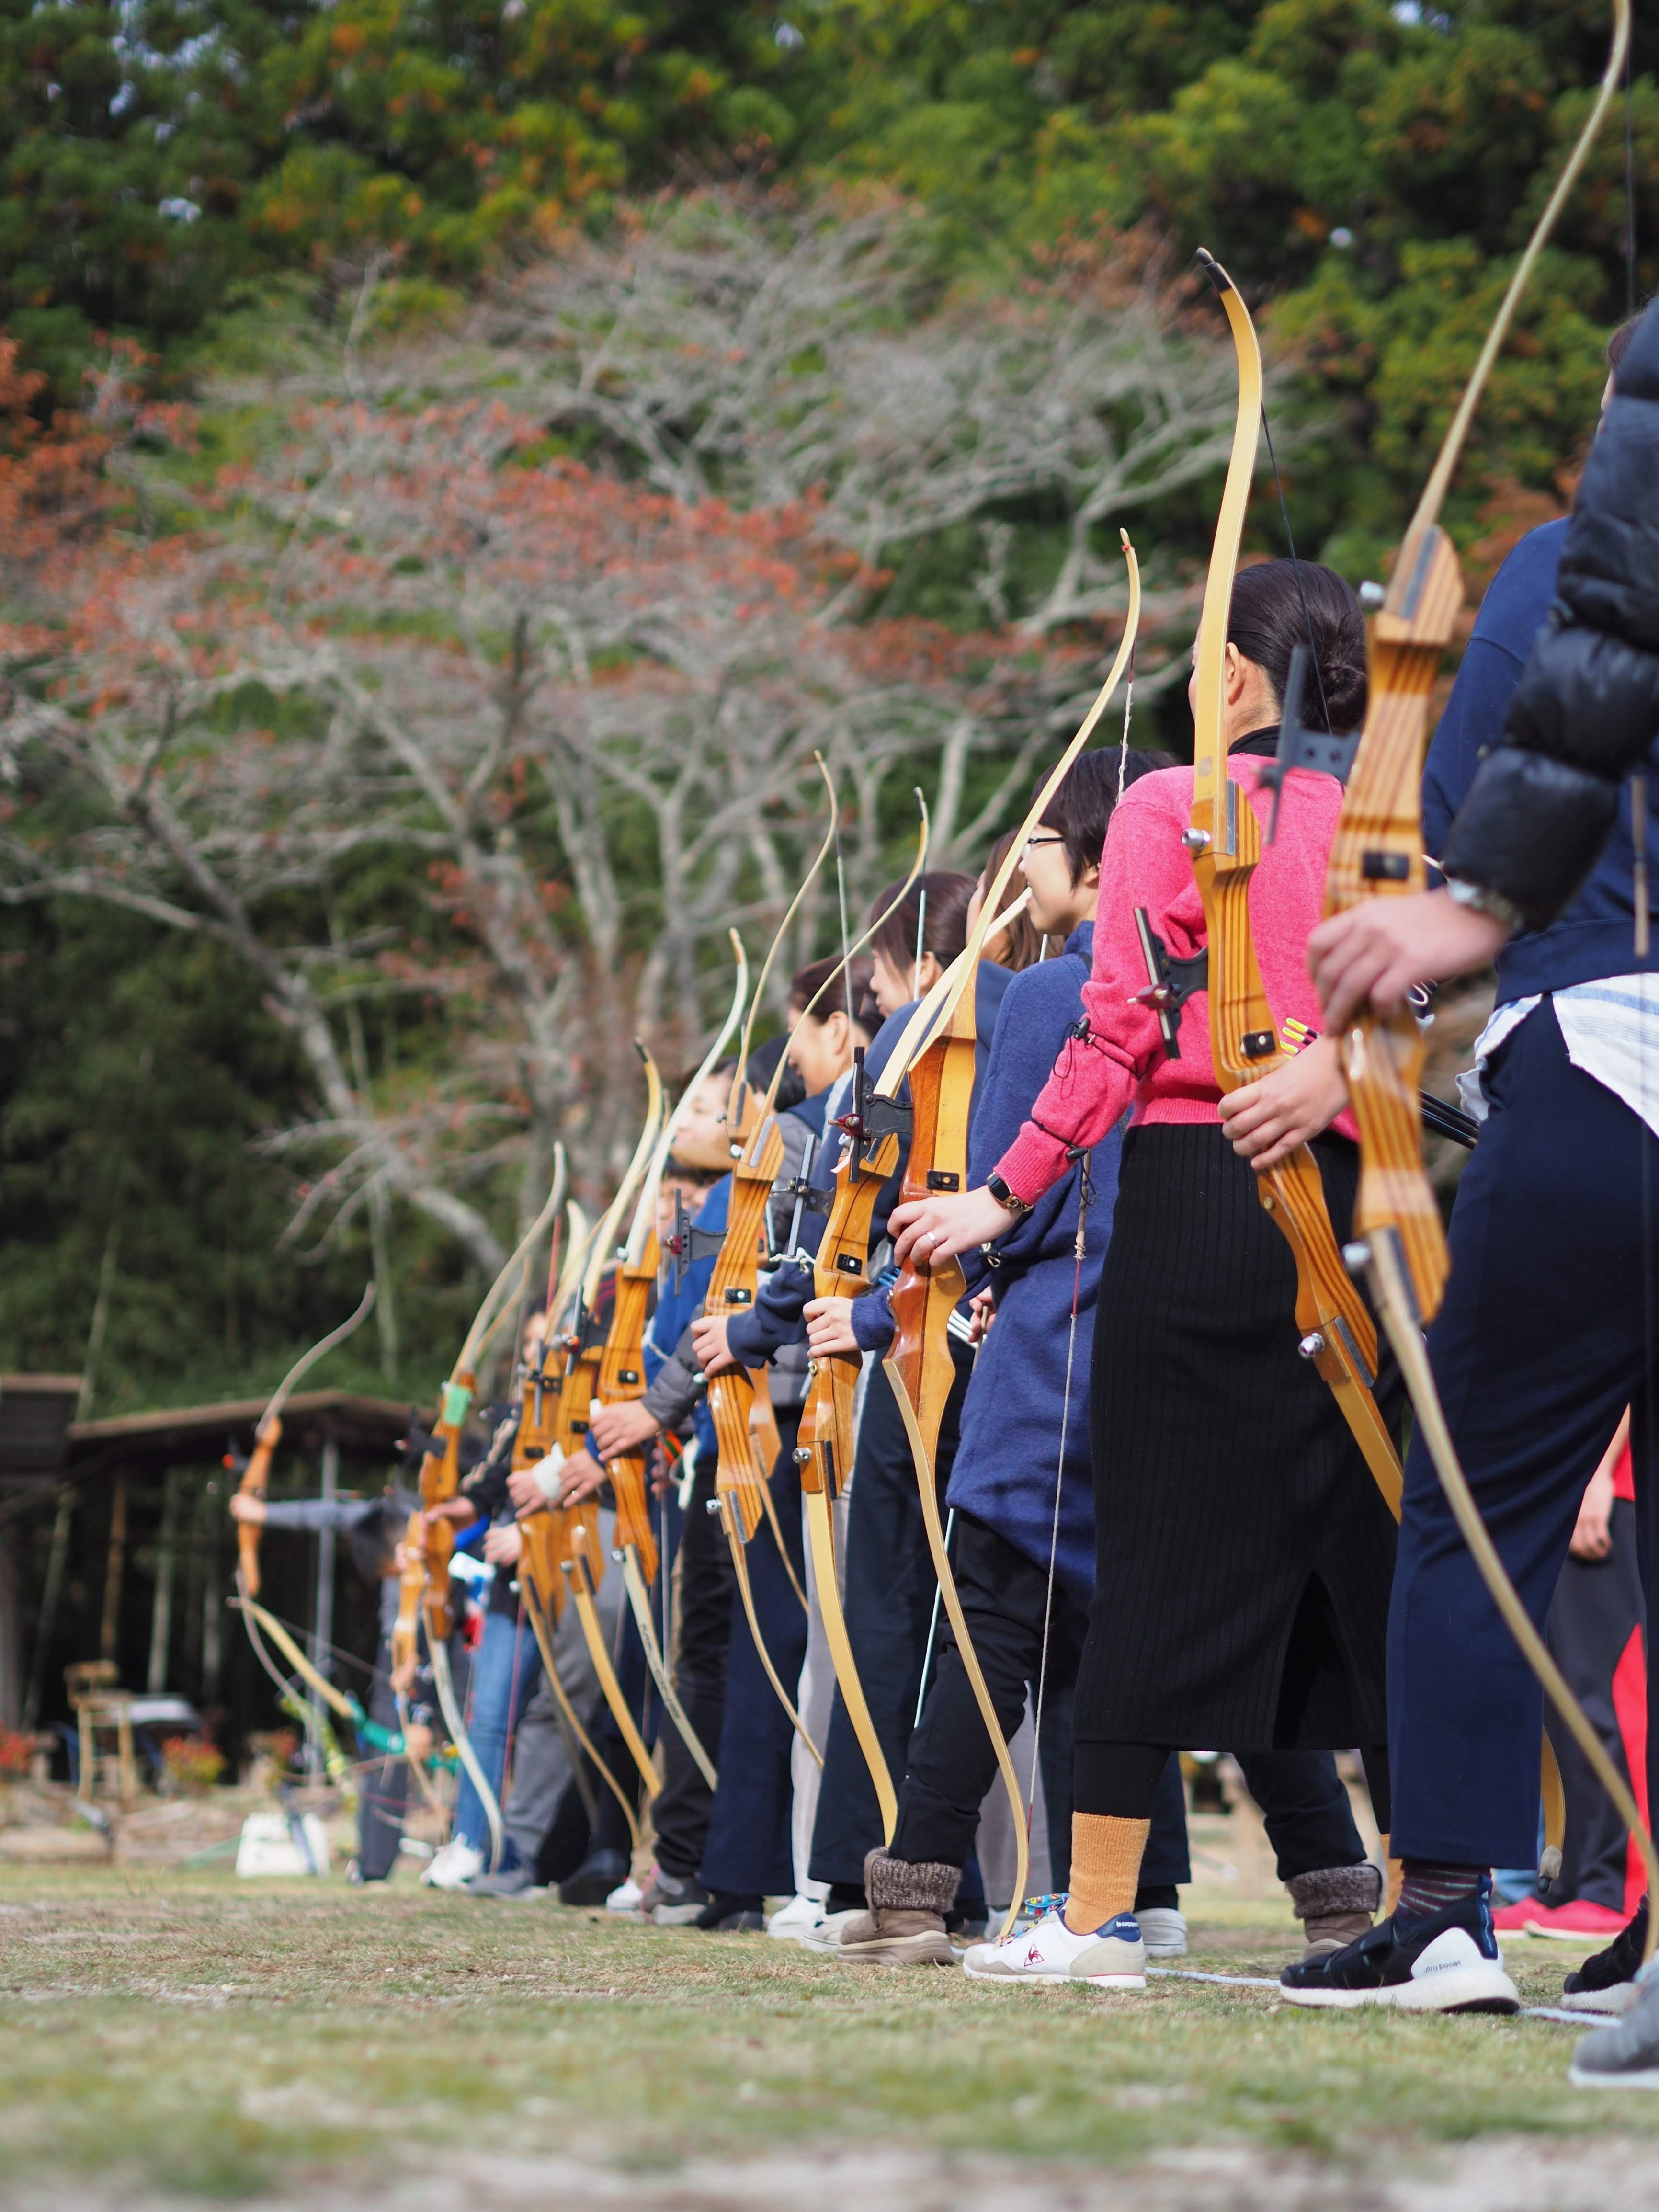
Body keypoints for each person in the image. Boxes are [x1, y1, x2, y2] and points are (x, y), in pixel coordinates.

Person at [889, 560, 1399, 1991]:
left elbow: (1113, 1036)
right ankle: (1441, 1903)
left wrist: (999, 1197)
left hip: (1192, 1185)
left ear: (1238, 676)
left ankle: (1101, 1911)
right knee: (1359, 1552)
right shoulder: (1384, 812)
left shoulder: (1169, 804)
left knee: (1157, 1555)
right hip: (1358, 1178)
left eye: (1200, 657)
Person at [1287, 302, 1659, 2065]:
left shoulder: (1570, 561)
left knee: (1474, 1485)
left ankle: (1444, 1903)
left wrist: (1402, 972)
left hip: (1602, 1060)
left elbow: (1464, 813)